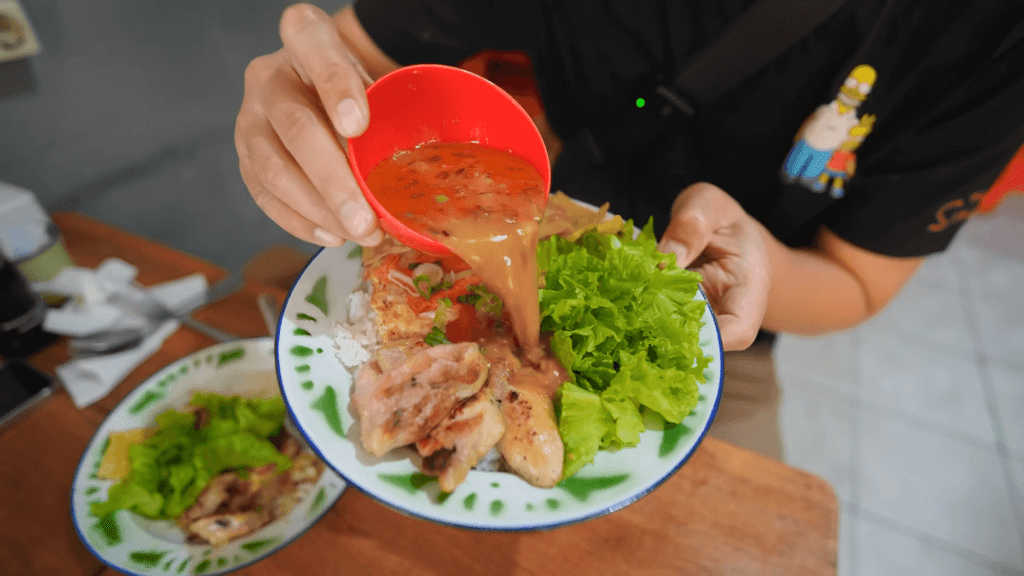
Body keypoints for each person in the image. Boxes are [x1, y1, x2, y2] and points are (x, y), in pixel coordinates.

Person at [234, 0, 1024, 459]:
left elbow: (860, 279)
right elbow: (360, 54)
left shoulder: (990, 36)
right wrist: (297, 97)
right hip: (484, 230)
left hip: (715, 329)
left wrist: (764, 271)